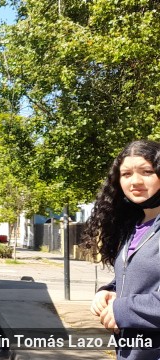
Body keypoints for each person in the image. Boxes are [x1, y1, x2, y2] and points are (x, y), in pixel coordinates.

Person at [82, 139, 160, 359]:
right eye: (126, 174)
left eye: (147, 171)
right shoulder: (134, 225)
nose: (135, 181)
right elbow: (139, 278)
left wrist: (121, 309)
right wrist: (108, 291)